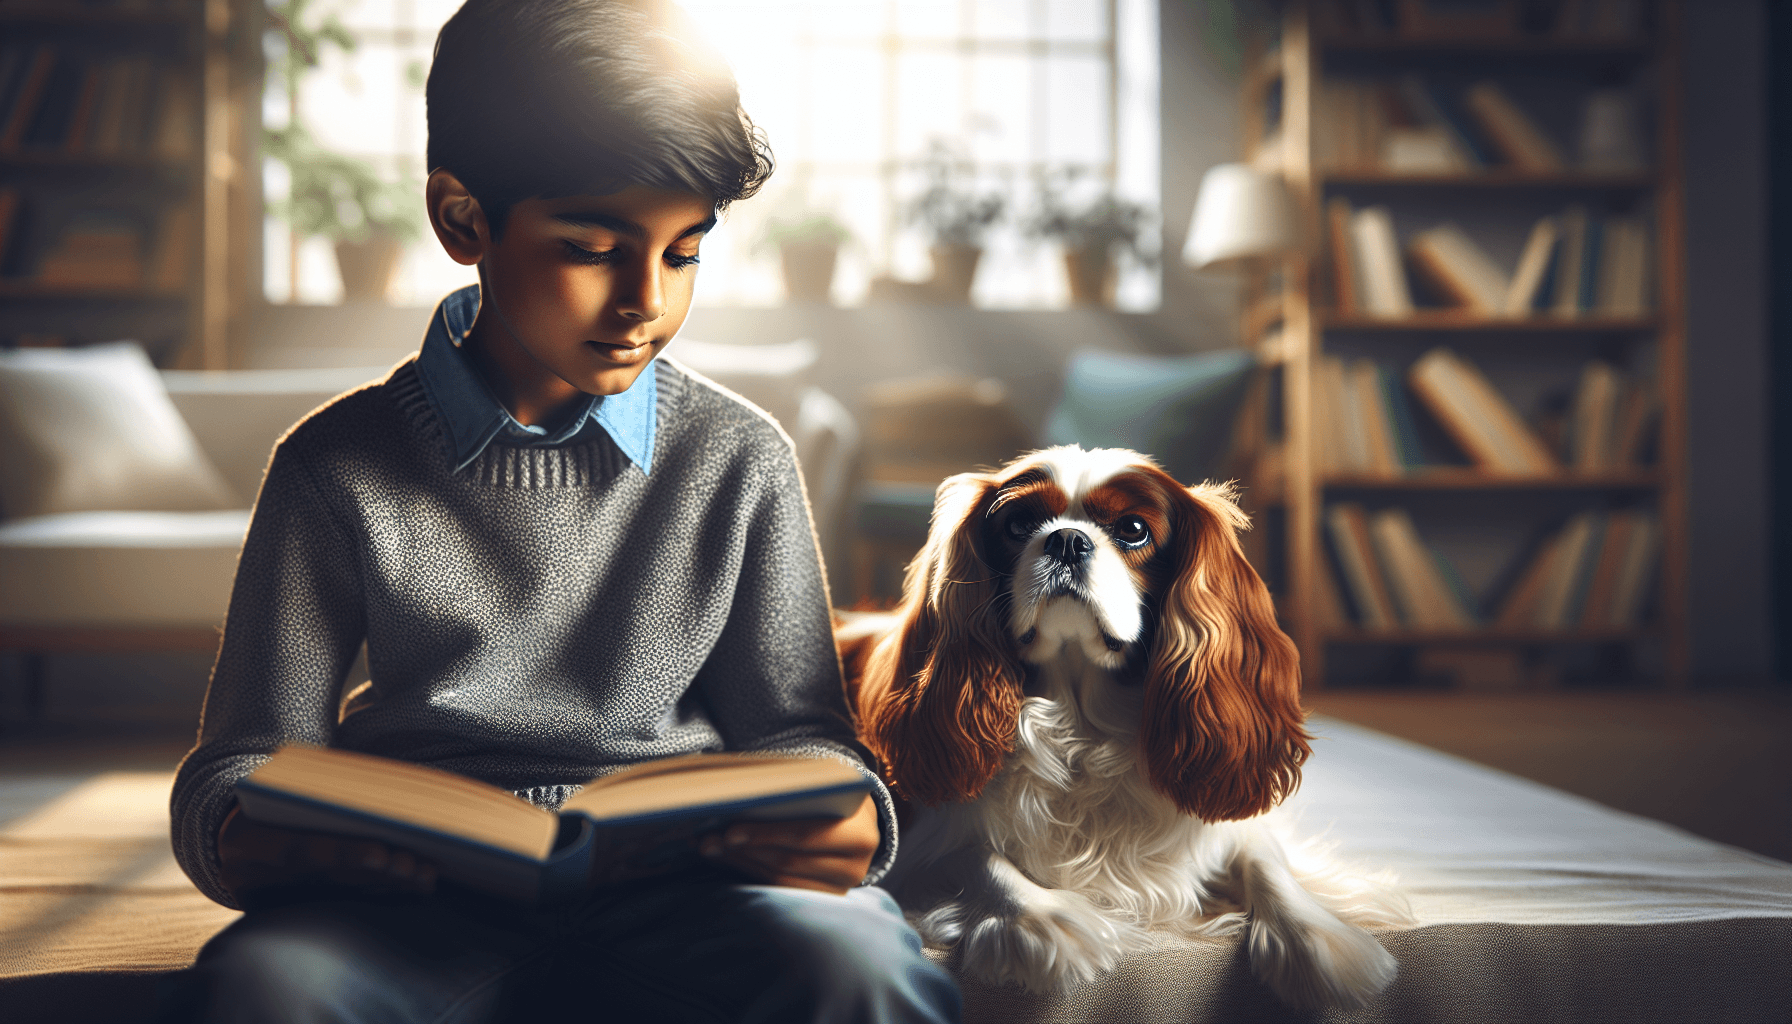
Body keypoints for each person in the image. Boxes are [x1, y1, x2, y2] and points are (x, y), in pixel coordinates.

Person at [161, 1, 961, 1020]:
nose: (647, 301)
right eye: (593, 248)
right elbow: (238, 760)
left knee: (862, 969)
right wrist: (267, 835)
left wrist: (849, 820)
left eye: (684, 253)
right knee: (264, 989)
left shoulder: (741, 455)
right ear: (463, 221)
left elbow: (805, 739)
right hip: (413, 907)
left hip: (696, 892)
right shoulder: (334, 467)